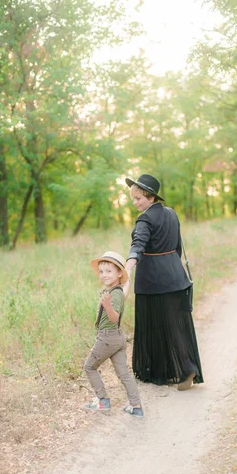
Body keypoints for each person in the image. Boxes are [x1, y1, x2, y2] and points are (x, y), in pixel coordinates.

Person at [124, 174, 203, 390]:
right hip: (176, 277)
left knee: (155, 325)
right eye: (133, 199)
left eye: (138, 198)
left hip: (153, 282)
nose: (135, 203)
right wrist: (171, 269)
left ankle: (163, 371)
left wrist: (127, 268)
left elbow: (137, 245)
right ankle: (185, 368)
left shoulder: (145, 219)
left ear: (151, 197)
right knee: (176, 326)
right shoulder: (172, 214)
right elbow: (177, 246)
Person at [83, 250, 144, 417]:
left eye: (109, 271)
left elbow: (114, 316)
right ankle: (136, 405)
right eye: (101, 271)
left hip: (107, 338)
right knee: (123, 373)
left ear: (118, 273)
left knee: (89, 367)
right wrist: (129, 274)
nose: (104, 275)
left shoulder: (113, 295)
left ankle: (102, 400)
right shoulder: (118, 290)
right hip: (117, 338)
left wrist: (108, 307)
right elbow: (125, 292)